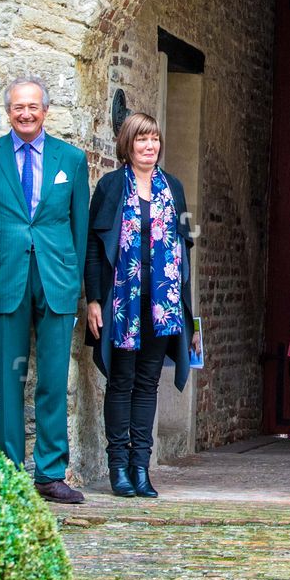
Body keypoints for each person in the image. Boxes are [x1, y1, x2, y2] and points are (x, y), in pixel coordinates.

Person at [0, 76, 90, 505]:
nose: (26, 113)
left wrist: (75, 281)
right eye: (17, 107)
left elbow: (78, 227)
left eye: (33, 107)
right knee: (9, 379)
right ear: (8, 111)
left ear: (46, 111)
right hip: (5, 278)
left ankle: (49, 472)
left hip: (56, 279)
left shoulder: (71, 159)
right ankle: (7, 471)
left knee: (52, 379)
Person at [85, 112, 199, 499]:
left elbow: (184, 254)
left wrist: (190, 316)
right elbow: (95, 247)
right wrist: (94, 299)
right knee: (121, 382)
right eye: (141, 140)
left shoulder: (174, 188)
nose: (149, 147)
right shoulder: (112, 186)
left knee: (148, 384)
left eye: (154, 140)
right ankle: (118, 467)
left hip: (161, 303)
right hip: (121, 303)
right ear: (128, 145)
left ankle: (141, 468)